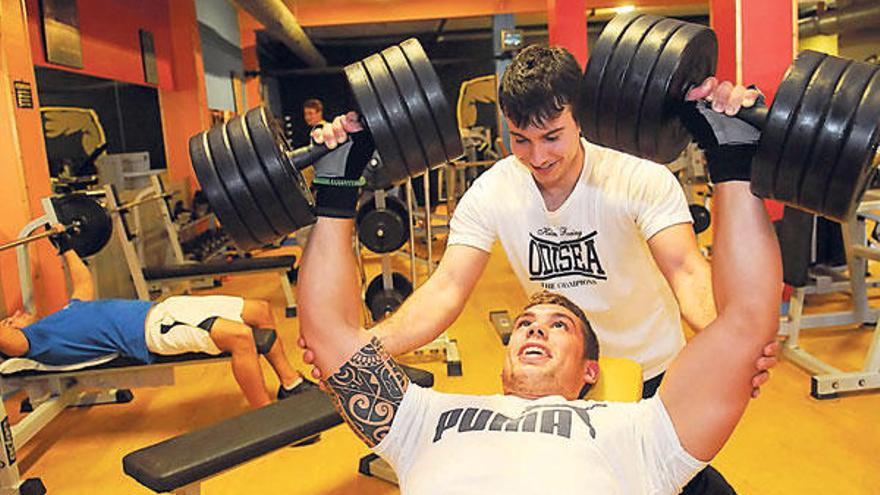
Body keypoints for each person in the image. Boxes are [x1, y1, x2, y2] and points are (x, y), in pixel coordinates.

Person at [302, 45, 777, 492]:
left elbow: (688, 272)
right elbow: (446, 288)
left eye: (552, 136)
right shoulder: (494, 191)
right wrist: (364, 353)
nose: (538, 157)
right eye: (521, 140)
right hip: (552, 377)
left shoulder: (637, 177)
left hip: (652, 373)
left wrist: (731, 350)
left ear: (580, 119)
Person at [0, 232, 313, 409]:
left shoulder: (65, 314)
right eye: (8, 321)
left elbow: (82, 283)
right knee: (240, 337)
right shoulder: (35, 341)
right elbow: (9, 342)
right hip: (153, 332)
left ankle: (290, 382)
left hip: (166, 308)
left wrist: (65, 245)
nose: (14, 315)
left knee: (259, 309)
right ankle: (265, 415)